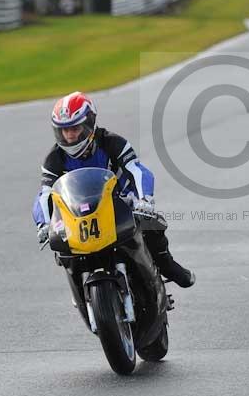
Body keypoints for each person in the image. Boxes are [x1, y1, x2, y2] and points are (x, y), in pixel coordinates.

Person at [32, 91, 195, 288]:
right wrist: (44, 224)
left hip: (120, 201)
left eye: (74, 128)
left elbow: (138, 170)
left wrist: (145, 200)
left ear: (89, 123)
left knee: (152, 225)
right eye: (64, 130)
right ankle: (78, 289)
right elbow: (45, 194)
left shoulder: (111, 142)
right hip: (78, 215)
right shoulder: (54, 159)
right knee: (62, 250)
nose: (69, 135)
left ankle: (166, 265)